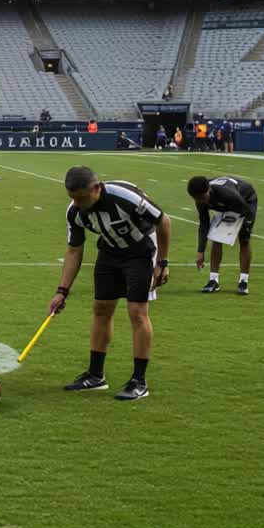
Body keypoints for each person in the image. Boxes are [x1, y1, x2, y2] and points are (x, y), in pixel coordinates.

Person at [49, 166, 171, 402]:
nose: (75, 203)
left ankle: (139, 381)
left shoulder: (124, 198)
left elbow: (163, 221)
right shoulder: (74, 212)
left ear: (96, 189)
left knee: (137, 312)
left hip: (140, 251)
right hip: (110, 251)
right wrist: (61, 291)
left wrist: (162, 262)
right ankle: (96, 376)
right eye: (71, 197)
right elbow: (74, 250)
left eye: (80, 197)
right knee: (101, 308)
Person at [188, 175, 258, 295]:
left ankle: (243, 281)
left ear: (208, 190)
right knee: (216, 237)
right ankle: (213, 280)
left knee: (244, 239)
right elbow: (204, 224)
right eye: (198, 199)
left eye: (203, 197)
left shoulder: (228, 194)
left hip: (245, 200)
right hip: (225, 204)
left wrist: (244, 226)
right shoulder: (200, 198)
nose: (202, 201)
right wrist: (201, 251)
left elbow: (247, 211)